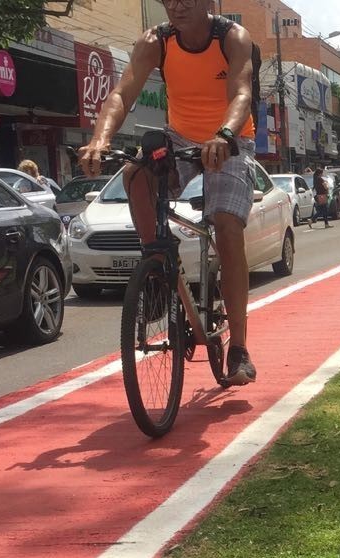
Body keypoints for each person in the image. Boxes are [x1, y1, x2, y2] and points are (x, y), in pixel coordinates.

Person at [76, 0, 260, 386]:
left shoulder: (232, 37)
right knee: (135, 174)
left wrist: (224, 135)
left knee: (227, 227)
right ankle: (159, 264)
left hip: (230, 136)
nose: (177, 5)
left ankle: (239, 348)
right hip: (179, 136)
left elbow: (241, 93)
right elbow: (121, 95)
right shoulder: (155, 42)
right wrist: (100, 138)